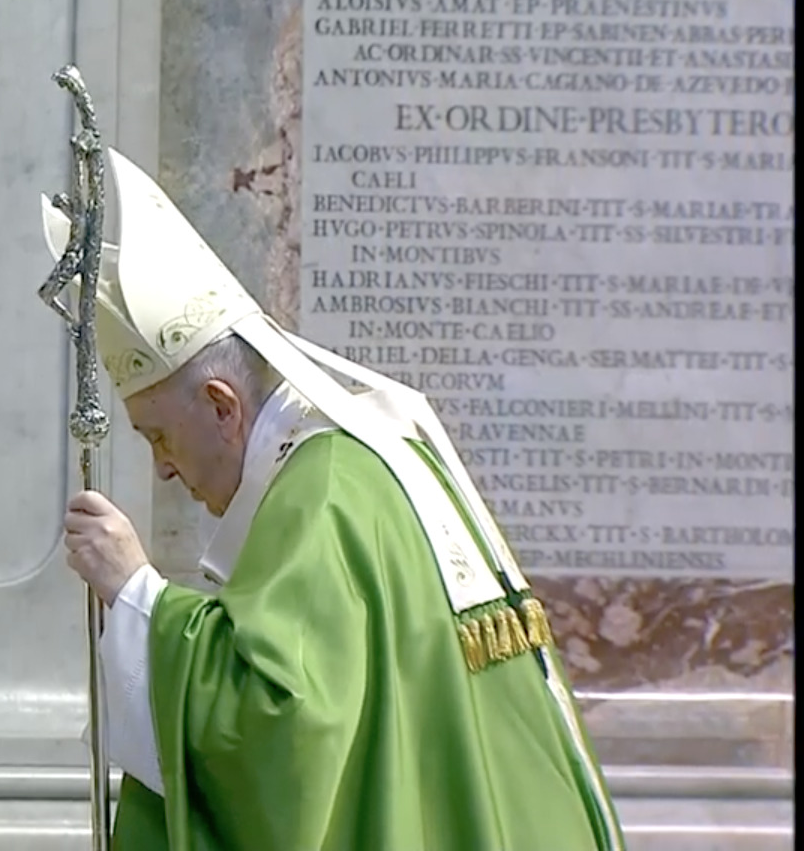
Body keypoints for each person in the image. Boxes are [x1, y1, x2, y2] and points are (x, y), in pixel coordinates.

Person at [43, 149, 624, 850]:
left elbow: (283, 721)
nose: (163, 468)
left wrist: (136, 593)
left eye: (159, 436)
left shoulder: (320, 495)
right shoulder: (360, 462)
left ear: (222, 406)